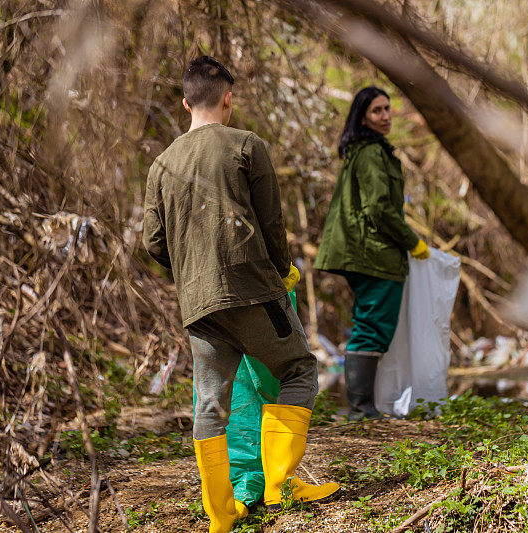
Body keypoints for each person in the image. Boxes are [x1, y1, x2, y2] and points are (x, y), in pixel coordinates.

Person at [143, 56, 338, 533]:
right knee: (299, 371)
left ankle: (221, 515)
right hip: (252, 289)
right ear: (228, 99)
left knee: (210, 405)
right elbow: (272, 224)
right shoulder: (247, 146)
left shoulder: (161, 164)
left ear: (186, 103)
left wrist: (190, 275)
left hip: (199, 307)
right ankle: (279, 485)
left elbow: (153, 243)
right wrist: (282, 273)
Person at [314, 86, 429, 421]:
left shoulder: (367, 150)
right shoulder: (370, 153)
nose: (386, 115)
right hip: (372, 253)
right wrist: (412, 242)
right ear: (362, 115)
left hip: (364, 250)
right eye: (377, 110)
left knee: (370, 324)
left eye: (388, 109)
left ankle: (363, 407)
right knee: (372, 326)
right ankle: (361, 409)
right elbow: (378, 208)